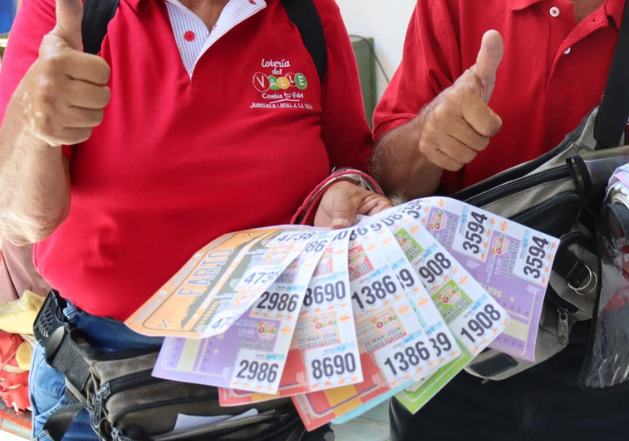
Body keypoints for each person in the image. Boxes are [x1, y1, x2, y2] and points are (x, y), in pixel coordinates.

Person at [0, 0, 391, 438]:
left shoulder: (306, 12)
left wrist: (344, 190)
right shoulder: (68, 10)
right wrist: (35, 124)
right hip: (99, 371)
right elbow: (20, 222)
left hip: (273, 369)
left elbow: (350, 161)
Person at [372, 0, 629, 440]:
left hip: (612, 372)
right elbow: (386, 177)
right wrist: (427, 138)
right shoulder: (452, 8)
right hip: (454, 358)